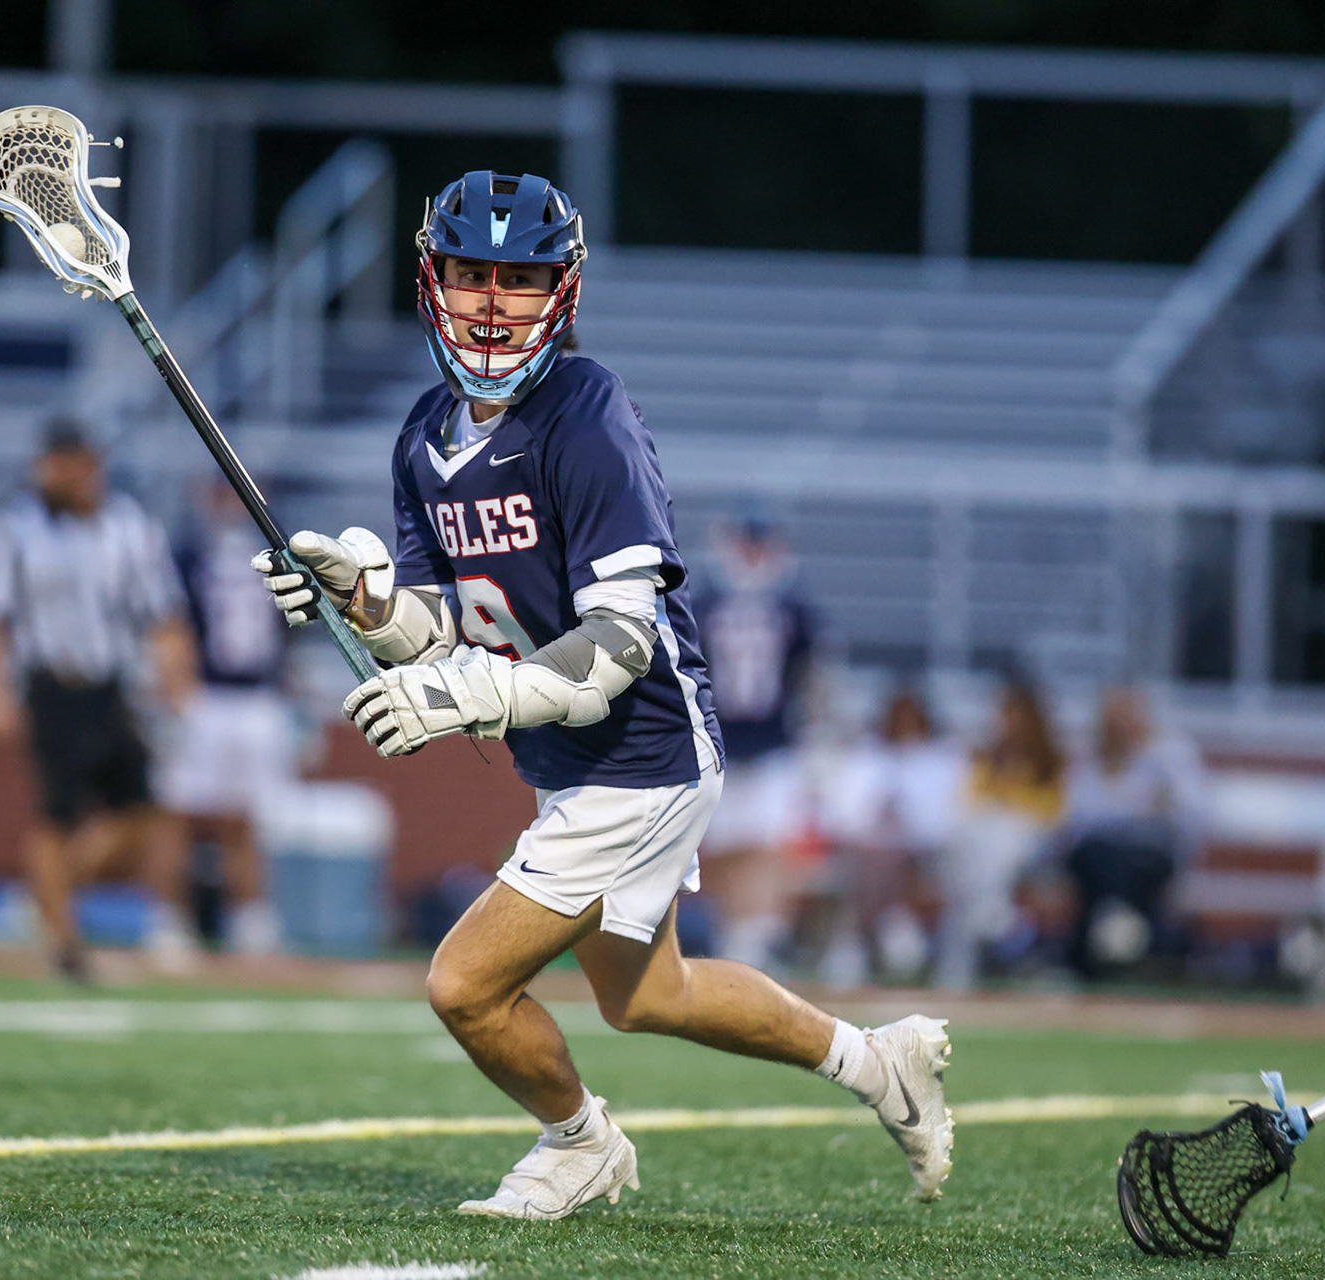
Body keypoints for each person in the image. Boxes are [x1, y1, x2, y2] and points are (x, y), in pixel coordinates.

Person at [251, 171, 953, 1220]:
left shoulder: (586, 414)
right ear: (431, 279)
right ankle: (877, 1062)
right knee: (648, 993)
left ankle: (578, 1142)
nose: (493, 303)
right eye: (472, 274)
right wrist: (361, 598)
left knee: (463, 984)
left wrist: (469, 698)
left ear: (564, 291)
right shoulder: (424, 436)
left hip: (642, 752)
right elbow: (441, 627)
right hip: (574, 757)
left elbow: (620, 645)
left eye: (520, 279)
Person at [0, 420, 196, 981]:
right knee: (57, 814)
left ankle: (46, 894)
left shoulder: (130, 527)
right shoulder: (15, 528)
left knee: (139, 814)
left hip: (111, 686)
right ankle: (64, 941)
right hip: (51, 686)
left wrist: (175, 681)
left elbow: (162, 614)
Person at [156, 475, 298, 958]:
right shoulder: (190, 551)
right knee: (180, 814)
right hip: (206, 695)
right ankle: (170, 918)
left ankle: (249, 919)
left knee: (246, 817)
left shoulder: (276, 549)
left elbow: (290, 626)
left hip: (257, 697)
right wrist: (177, 688)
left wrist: (289, 689)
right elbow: (169, 621)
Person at [692, 514, 821, 970]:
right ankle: (737, 931)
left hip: (774, 743)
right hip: (718, 740)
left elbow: (812, 676)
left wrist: (815, 733)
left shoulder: (794, 609)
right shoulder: (702, 605)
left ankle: (760, 932)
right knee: (724, 844)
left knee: (768, 842)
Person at [817, 688, 967, 982]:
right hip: (870, 853)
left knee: (891, 862)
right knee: (873, 861)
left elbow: (946, 823)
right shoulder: (867, 758)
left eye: (912, 721)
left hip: (923, 855)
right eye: (899, 720)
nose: (905, 728)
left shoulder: (941, 761)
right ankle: (882, 930)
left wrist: (907, 829)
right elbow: (845, 818)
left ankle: (869, 935)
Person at [1060, 686, 1208, 977]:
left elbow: (1195, 813)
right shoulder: (1090, 761)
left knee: (1124, 869)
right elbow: (1076, 819)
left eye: (1127, 718)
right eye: (1114, 721)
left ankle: (1107, 943)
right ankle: (1124, 941)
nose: (1121, 728)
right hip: (1097, 861)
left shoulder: (1170, 753)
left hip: (1150, 858)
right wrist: (1137, 807)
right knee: (1101, 860)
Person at [932, 679, 1065, 989]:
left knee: (1001, 838)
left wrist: (1009, 806)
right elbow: (969, 804)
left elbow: (1053, 812)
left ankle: (975, 930)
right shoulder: (987, 760)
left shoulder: (1049, 763)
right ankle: (987, 916)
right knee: (968, 842)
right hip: (987, 837)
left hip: (1032, 838)